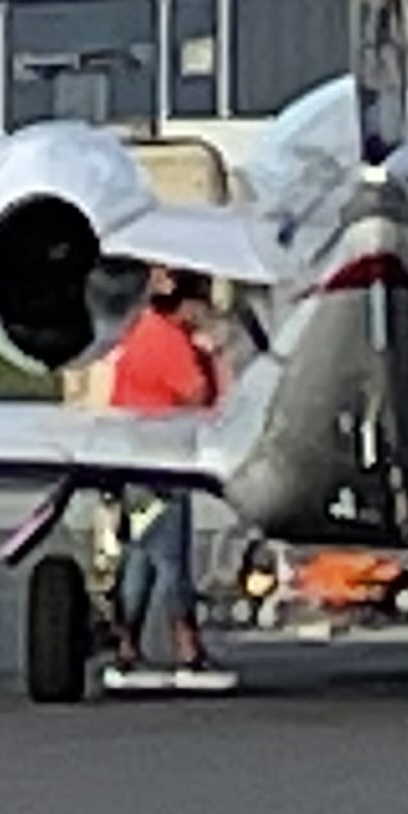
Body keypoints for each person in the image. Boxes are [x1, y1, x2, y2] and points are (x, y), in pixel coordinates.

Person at [101, 267, 234, 694]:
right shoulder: (172, 342)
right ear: (189, 302)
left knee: (140, 557)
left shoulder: (141, 330)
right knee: (171, 560)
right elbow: (202, 396)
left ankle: (126, 648)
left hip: (131, 463)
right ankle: (187, 648)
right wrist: (212, 355)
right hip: (163, 465)